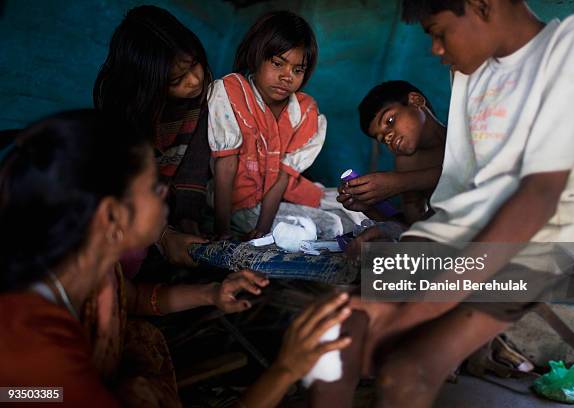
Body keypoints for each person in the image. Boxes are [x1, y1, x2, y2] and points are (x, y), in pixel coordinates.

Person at [324, 0, 574, 406]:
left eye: (438, 32)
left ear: (481, 5)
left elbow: (538, 196)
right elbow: (456, 191)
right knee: (338, 331)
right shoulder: (471, 74)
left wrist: (408, 314)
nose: (435, 49)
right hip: (453, 236)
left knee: (405, 371)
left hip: (533, 250)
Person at [0, 110, 269, 406]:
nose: (164, 191)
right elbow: (25, 395)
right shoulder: (37, 353)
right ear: (112, 216)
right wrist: (285, 370)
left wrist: (212, 294)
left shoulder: (90, 271)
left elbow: (134, 299)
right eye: (153, 186)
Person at [94, 5, 212, 266]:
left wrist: (187, 220)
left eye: (195, 65)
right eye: (176, 79)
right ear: (149, 84)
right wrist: (164, 236)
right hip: (137, 209)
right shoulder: (126, 116)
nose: (194, 81)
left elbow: (195, 166)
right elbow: (124, 188)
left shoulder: (204, 105)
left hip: (171, 207)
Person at [208, 10, 329, 240]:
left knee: (351, 211)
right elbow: (226, 165)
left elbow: (282, 178)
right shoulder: (231, 92)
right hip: (238, 206)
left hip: (276, 201)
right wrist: (221, 231)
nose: (287, 76)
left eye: (297, 70)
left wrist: (262, 229)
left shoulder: (304, 110)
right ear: (256, 56)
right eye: (277, 63)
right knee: (329, 227)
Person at [338, 80, 446, 226]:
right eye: (382, 139)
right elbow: (413, 226)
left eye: (389, 121)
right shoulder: (407, 162)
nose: (387, 137)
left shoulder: (467, 136)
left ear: (416, 100)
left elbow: (464, 174)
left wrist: (400, 182)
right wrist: (371, 208)